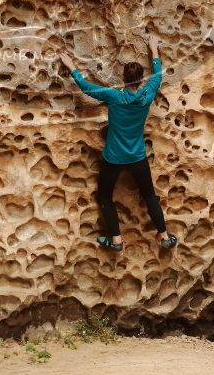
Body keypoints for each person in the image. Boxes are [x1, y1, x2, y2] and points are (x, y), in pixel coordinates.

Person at [59, 35, 178, 251]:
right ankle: (164, 236)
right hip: (137, 157)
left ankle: (116, 240)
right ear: (141, 80)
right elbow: (158, 75)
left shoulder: (115, 96)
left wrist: (72, 67)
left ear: (124, 79)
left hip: (113, 158)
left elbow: (86, 88)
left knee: (105, 195)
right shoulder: (147, 94)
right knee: (149, 195)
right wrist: (153, 49)